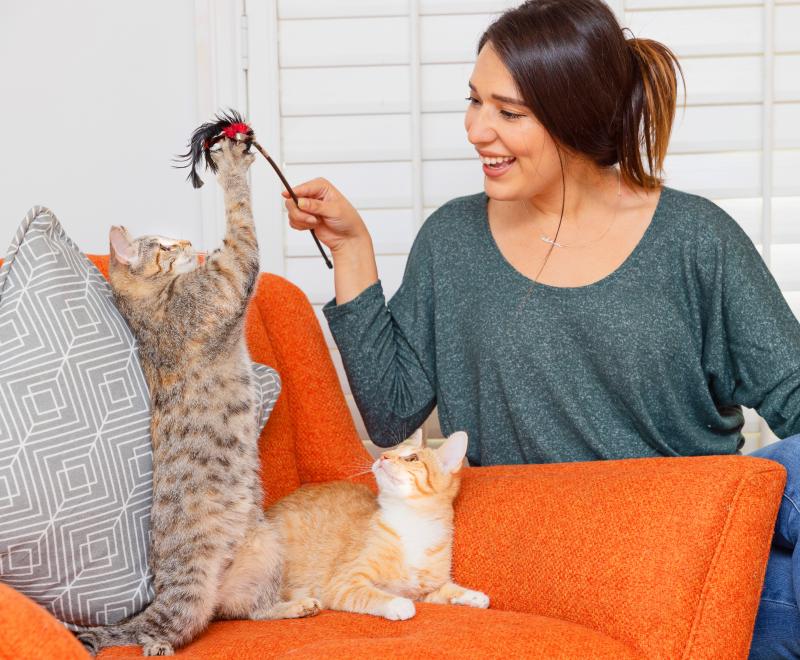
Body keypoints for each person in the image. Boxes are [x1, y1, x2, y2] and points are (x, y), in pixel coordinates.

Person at [281, 0, 800, 656]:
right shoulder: (453, 241)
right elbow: (389, 417)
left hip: (685, 544)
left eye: (507, 112)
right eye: (473, 101)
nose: (475, 129)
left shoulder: (697, 241)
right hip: (542, 552)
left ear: (576, 117)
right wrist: (352, 248)